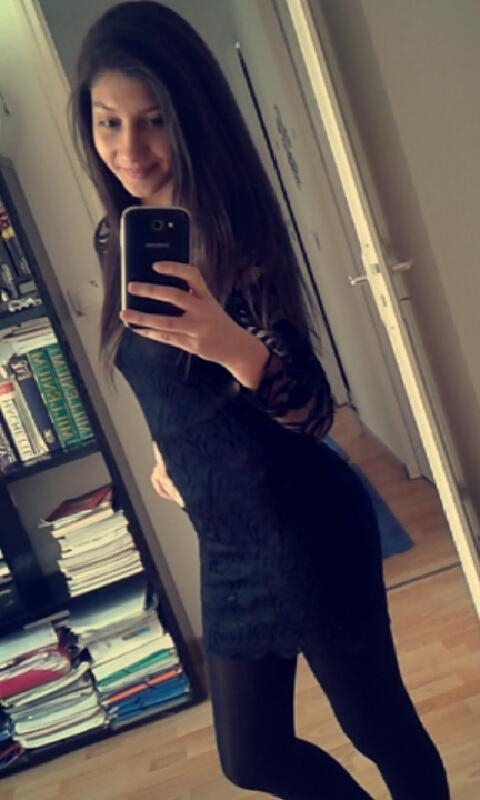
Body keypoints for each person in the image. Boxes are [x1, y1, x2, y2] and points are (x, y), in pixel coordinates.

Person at [71, 2, 450, 798]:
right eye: (109, 122)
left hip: (305, 527)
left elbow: (313, 412)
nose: (129, 148)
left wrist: (226, 340)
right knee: (251, 758)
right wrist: (170, 448)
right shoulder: (120, 239)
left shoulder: (236, 236)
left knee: (380, 728)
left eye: (153, 121)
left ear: (190, 118)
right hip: (228, 542)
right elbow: (164, 376)